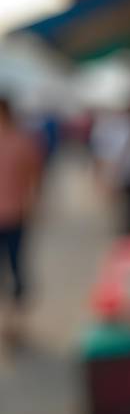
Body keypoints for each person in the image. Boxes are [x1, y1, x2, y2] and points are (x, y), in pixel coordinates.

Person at [0, 97, 42, 344]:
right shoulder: (24, 141)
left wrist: (33, 204)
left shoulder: (22, 141)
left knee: (16, 268)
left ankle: (15, 323)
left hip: (15, 215)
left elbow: (34, 177)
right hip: (15, 214)